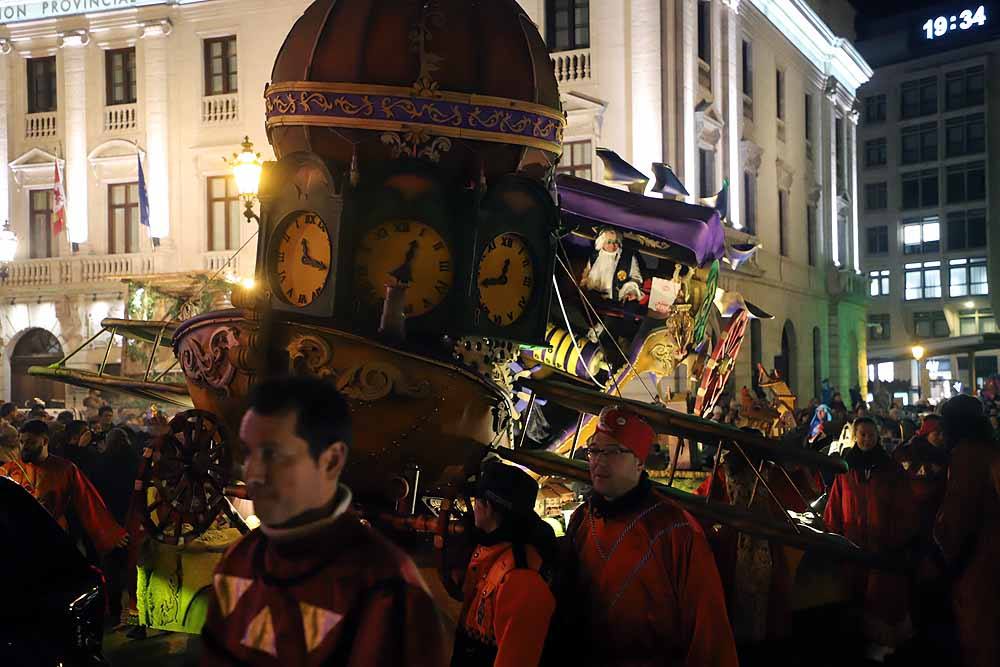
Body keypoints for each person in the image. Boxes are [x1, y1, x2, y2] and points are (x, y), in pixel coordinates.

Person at [200, 377, 447, 666]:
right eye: (249, 453)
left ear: (331, 460)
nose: (253, 472)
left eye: (273, 454)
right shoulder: (237, 561)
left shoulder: (389, 589)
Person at [561, 406, 737, 667]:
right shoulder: (581, 520)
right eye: (594, 451)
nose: (598, 460)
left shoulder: (676, 530)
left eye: (612, 451)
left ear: (639, 461)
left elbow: (709, 630)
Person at [824, 417, 915, 660]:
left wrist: (898, 536)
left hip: (882, 542)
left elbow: (904, 504)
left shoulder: (890, 467)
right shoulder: (845, 468)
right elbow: (835, 503)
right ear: (855, 437)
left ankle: (883, 643)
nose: (866, 439)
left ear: (877, 436)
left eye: (870, 435)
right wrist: (833, 534)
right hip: (853, 543)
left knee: (881, 594)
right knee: (854, 593)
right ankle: (858, 642)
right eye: (862, 434)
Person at [451, 459, 557, 667]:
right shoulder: (492, 552)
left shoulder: (522, 579)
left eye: (476, 501)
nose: (473, 508)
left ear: (488, 507)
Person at [933, 395, 1000, 667]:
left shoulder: (966, 455)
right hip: (990, 550)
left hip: (979, 561)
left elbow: (959, 513)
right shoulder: (991, 450)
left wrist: (939, 556)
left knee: (979, 637)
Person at [0, 419, 128, 555]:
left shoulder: (65, 469)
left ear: (44, 441)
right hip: (18, 537)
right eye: (22, 442)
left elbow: (87, 501)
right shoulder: (7, 470)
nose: (24, 447)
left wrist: (110, 533)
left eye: (31, 442)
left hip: (55, 537)